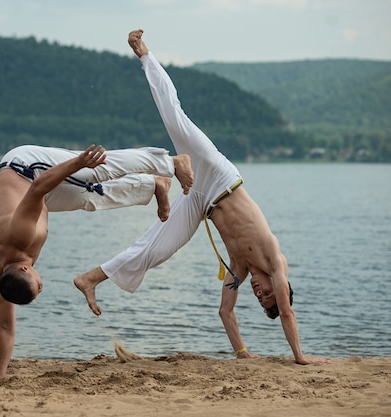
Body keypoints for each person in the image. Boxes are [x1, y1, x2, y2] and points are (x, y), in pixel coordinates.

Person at [74, 30, 328, 366]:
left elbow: (225, 312)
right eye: (267, 293)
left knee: (158, 248)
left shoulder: (238, 268)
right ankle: (144, 54)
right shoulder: (275, 261)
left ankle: (91, 278)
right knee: (175, 117)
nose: (259, 291)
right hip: (219, 177)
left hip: (201, 201)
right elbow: (287, 313)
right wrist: (299, 356)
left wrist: (242, 353)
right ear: (277, 286)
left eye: (260, 298)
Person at [0, 143, 195, 385]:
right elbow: (4, 326)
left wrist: (78, 162)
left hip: (25, 168)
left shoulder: (20, 234)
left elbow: (39, 188)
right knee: (88, 195)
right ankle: (154, 185)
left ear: (24, 269)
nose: (42, 286)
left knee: (92, 172)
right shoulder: (2, 278)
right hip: (25, 189)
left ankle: (170, 163)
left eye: (38, 286)